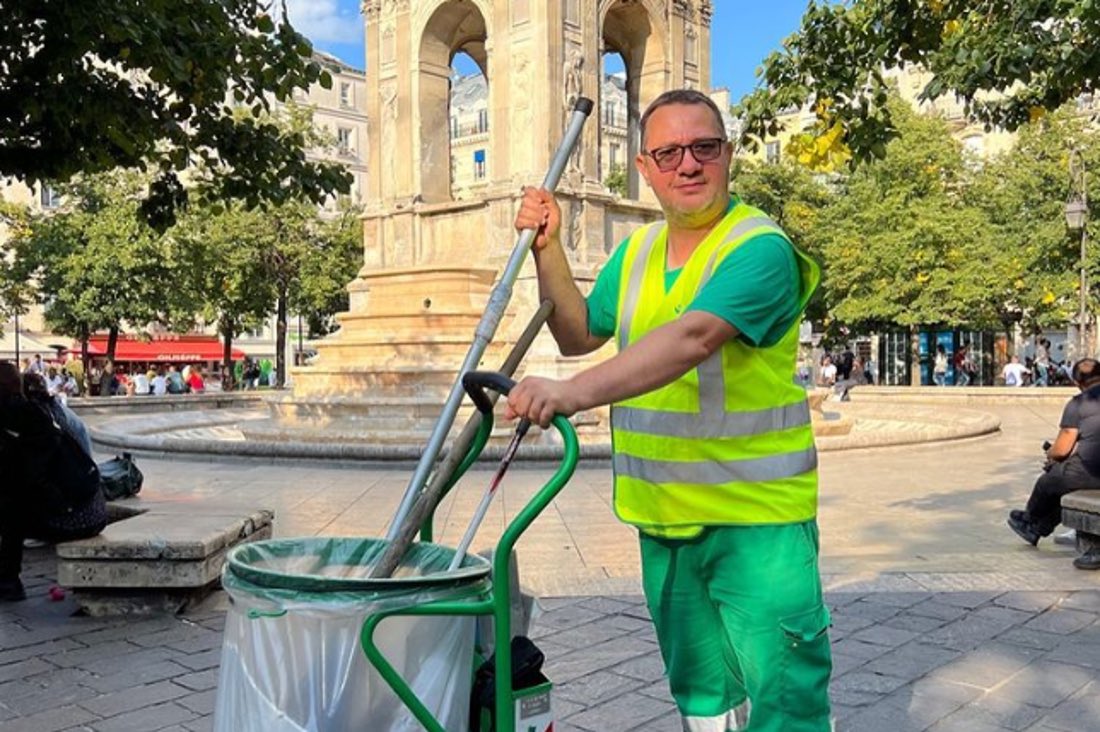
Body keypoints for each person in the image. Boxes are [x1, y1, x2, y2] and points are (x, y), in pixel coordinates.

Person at [506, 89, 831, 731]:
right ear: (645, 167)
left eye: (703, 148)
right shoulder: (636, 253)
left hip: (755, 524)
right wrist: (549, 248)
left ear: (728, 155)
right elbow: (577, 332)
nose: (688, 164)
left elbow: (693, 338)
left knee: (784, 701)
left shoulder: (759, 248)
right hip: (664, 521)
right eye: (669, 152)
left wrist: (570, 393)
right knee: (704, 701)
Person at [0, 362, 105, 602]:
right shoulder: (37, 411)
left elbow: (28, 477)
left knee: (11, 500)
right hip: (83, 502)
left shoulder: (27, 418)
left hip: (75, 514)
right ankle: (7, 580)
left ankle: (8, 581)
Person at [1007, 359, 1100, 570]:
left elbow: (1061, 449)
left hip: (1090, 473)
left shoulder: (1079, 403)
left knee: (1050, 481)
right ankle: (1036, 525)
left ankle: (1031, 521)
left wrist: (1051, 454)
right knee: (1068, 486)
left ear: (1077, 381)